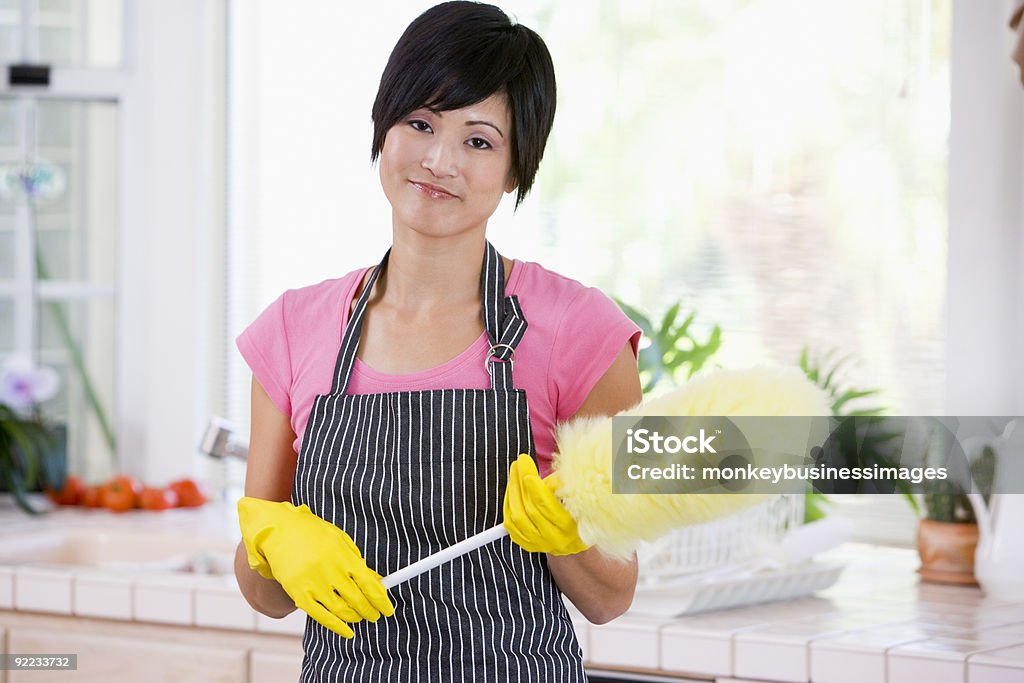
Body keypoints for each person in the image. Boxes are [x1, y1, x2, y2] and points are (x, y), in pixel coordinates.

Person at [233, 2, 642, 680]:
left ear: (515, 168)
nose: (438, 160)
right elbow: (262, 593)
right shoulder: (292, 328)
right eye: (419, 123)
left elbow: (612, 594)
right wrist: (274, 542)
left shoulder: (580, 332)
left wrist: (566, 541)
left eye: (479, 140)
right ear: (384, 127)